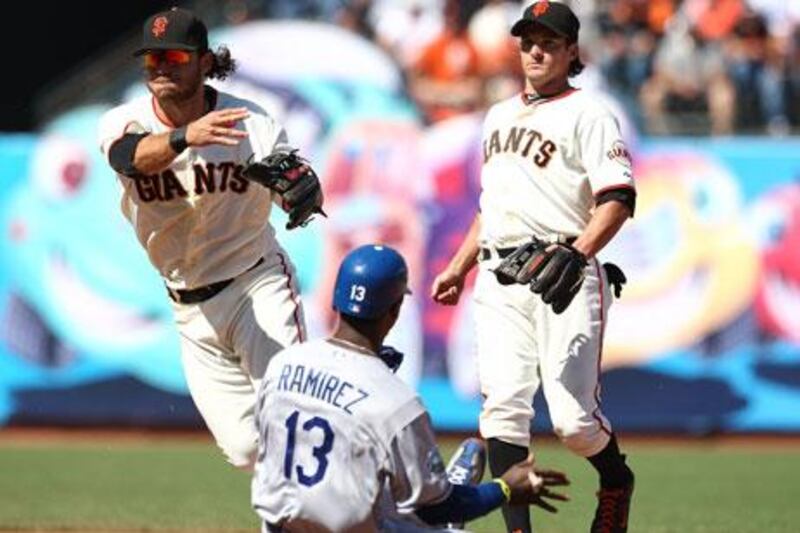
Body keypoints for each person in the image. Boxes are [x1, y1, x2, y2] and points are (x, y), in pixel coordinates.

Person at [430, 2, 636, 533]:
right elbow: (490, 207)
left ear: (572, 52)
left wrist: (579, 253)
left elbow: (617, 199)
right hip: (498, 280)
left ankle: (615, 480)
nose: (536, 49)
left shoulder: (590, 113)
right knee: (502, 412)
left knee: (574, 424)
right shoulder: (497, 116)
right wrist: (458, 265)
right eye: (528, 40)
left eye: (549, 41)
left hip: (562, 277)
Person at [98, 8, 319, 469]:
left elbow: (296, 193)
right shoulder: (125, 119)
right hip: (189, 307)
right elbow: (127, 158)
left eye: (174, 55)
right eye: (151, 58)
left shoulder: (252, 123)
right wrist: (185, 137)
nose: (161, 67)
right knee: (244, 449)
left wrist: (299, 193)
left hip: (255, 284)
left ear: (204, 62)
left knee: (293, 413)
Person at [253, 244, 569, 532]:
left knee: (366, 476)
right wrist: (505, 488)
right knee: (432, 514)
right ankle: (446, 492)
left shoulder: (283, 364)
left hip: (280, 527)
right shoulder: (395, 401)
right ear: (394, 311)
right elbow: (435, 509)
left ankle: (436, 483)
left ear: (336, 299)